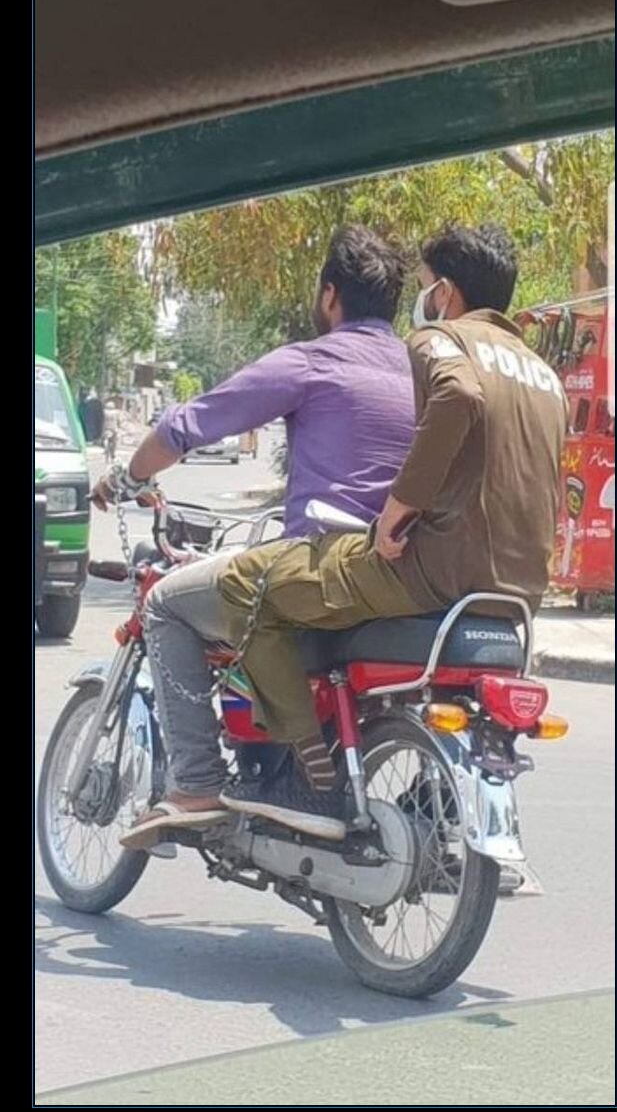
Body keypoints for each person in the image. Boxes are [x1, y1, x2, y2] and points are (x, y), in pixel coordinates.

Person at [203, 222, 567, 842]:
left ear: (446, 291)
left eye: (424, 287)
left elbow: (456, 399)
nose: (420, 302)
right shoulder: (545, 376)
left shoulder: (441, 340)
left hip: (431, 572)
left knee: (251, 586)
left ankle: (306, 779)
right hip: (517, 591)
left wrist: (396, 512)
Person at [90, 226, 416, 848]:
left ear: (329, 297)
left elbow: (191, 423)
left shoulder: (315, 359)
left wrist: (127, 475)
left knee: (165, 605)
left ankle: (197, 781)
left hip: (324, 563)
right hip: (404, 569)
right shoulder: (421, 369)